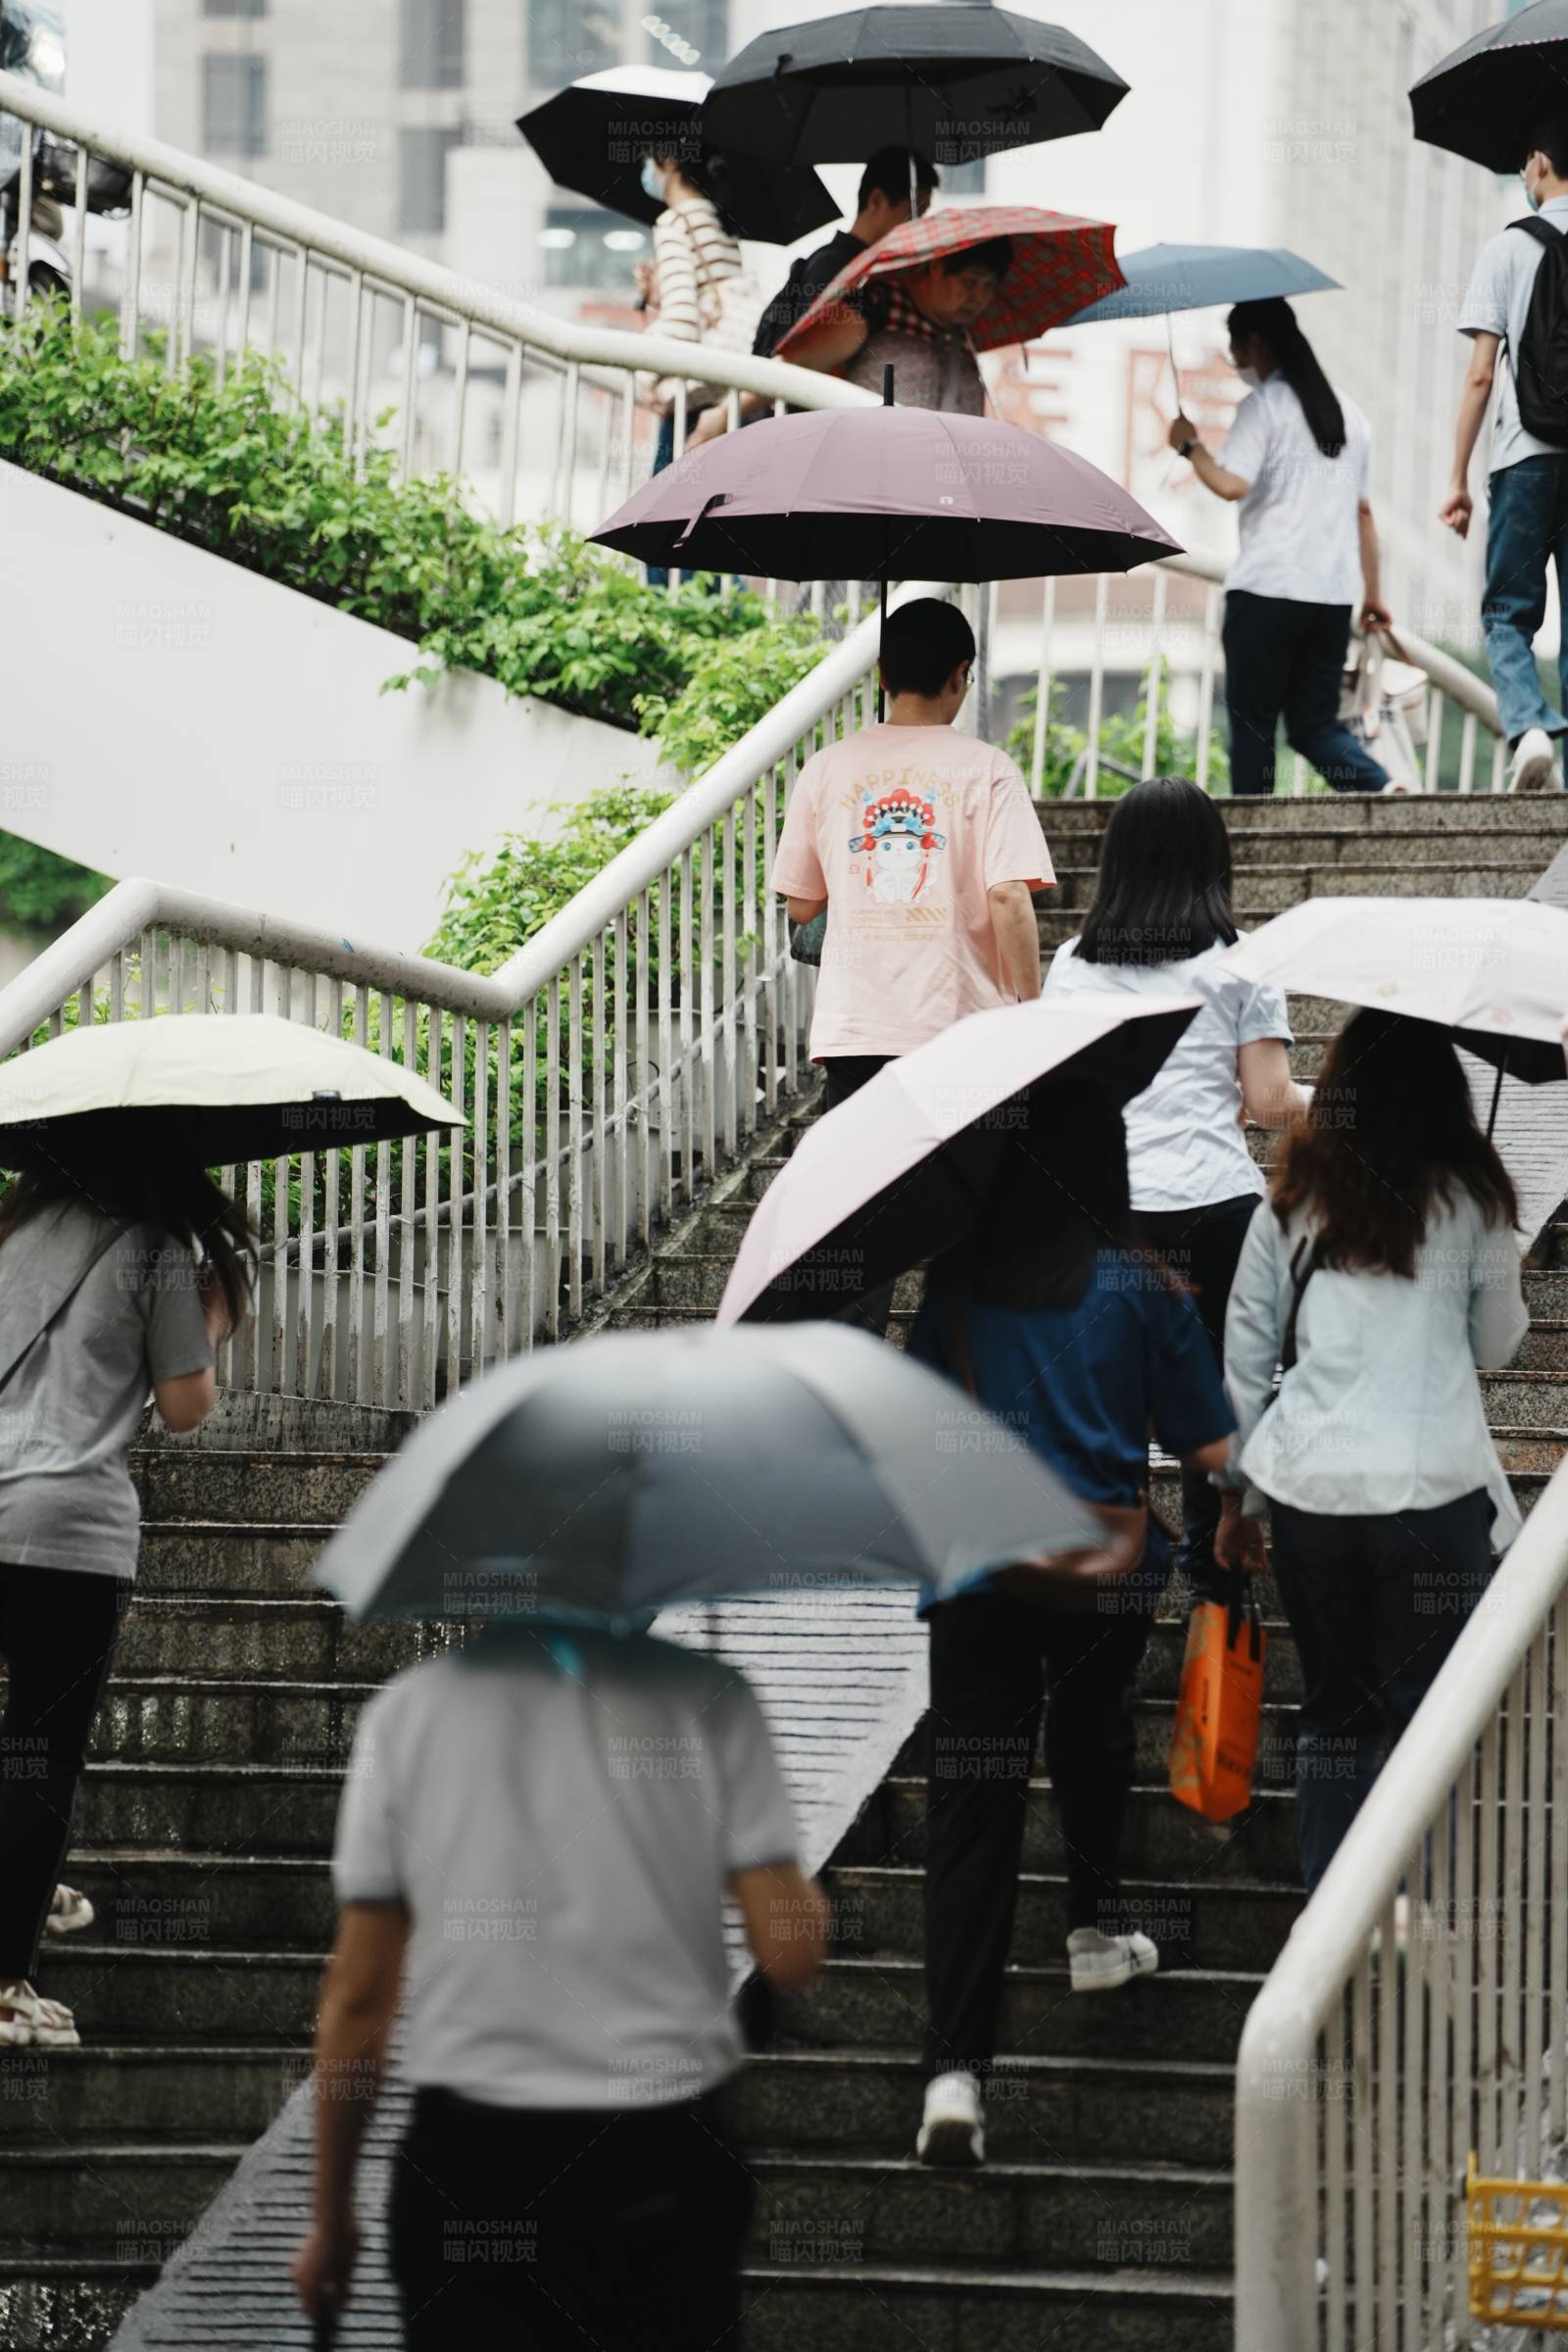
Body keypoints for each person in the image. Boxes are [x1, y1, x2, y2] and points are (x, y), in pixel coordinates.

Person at [292, 1617, 828, 2348]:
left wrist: (331, 2215)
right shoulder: (710, 1695)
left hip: (473, 2158)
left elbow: (358, 1996)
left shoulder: (410, 1713)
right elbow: (790, 1954)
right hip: (655, 2154)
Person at [906, 1083, 1239, 2168]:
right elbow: (1209, 1447)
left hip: (973, 1573)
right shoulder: (1141, 1284)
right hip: (1099, 1570)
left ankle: (954, 2073)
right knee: (1094, 1734)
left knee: (971, 1812)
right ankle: (1094, 1926)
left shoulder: (957, 1285)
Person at [1217, 1009, 1529, 1893]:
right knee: (1433, 1727)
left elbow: (1245, 1357)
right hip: (1432, 1498)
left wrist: (1238, 1500)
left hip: (1313, 1498)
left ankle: (1333, 1930)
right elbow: (1498, 1345)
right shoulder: (1470, 1197)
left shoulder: (1288, 1202)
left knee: (1335, 1720)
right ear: (1446, 1092)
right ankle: (1425, 1930)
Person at [0, 1152, 251, 2049]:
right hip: (66, 1531)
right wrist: (206, 1331)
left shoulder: (16, 1234)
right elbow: (185, 1406)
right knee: (40, 1751)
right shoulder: (157, 1249)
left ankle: (26, 1887)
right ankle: (5, 1983)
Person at [1043, 777, 1302, 1605]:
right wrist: (1328, 1105)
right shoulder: (1243, 961)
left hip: (1107, 1215)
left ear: (1116, 863)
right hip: (1217, 1210)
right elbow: (1269, 1103)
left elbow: (1053, 1097)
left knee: (1110, 1401)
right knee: (1219, 1400)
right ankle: (1213, 1591)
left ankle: (1112, 1585)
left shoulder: (1071, 967)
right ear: (1210, 860)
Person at [1168, 296, 1392, 797]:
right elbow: (1363, 512)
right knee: (1315, 727)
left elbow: (1232, 485)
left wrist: (1190, 448)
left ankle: (1251, 847)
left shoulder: (1264, 406)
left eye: (1236, 349)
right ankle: (1382, 789)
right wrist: (1373, 594)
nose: (1236, 361)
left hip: (1267, 590)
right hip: (1331, 599)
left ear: (1257, 344)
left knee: (1253, 730)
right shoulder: (1349, 415)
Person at [1443, 111, 1568, 793]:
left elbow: (1482, 374)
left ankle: (1527, 728)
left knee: (1506, 611)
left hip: (1524, 457)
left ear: (1541, 165)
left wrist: (1456, 478)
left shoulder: (1508, 248)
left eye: (1525, 164)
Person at [687, 146, 939, 445]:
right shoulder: (840, 269)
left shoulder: (846, 265)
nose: (917, 225)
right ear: (876, 201)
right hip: (796, 432)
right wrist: (722, 416)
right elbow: (802, 355)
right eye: (914, 211)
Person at [637, 147, 747, 585]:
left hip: (693, 404)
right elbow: (712, 311)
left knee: (662, 536)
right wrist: (657, 298)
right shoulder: (720, 221)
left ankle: (672, 637)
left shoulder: (675, 222)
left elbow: (683, 324)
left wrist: (643, 373)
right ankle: (728, 626)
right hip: (726, 396)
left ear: (668, 161)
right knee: (710, 531)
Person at [778, 236, 1011, 416]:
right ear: (936, 267)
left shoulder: (964, 337)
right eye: (969, 282)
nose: (978, 297)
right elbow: (800, 362)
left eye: (989, 287)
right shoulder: (879, 304)